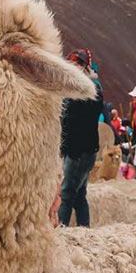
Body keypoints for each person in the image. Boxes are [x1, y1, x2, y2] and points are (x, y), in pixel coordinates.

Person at [54, 48, 104, 227]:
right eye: (72, 62)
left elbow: (79, 121)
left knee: (66, 193)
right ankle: (84, 229)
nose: (74, 65)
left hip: (79, 150)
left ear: (85, 66)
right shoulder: (80, 87)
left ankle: (62, 231)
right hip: (80, 149)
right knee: (79, 194)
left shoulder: (89, 89)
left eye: (78, 62)